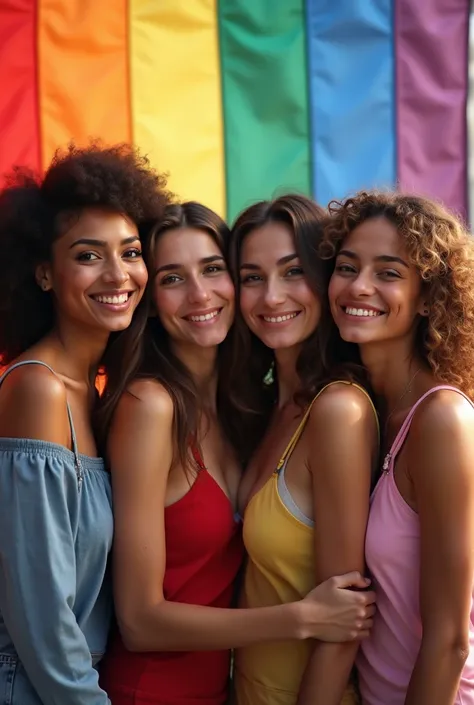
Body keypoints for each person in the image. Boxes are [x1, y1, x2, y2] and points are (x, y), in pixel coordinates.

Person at [97, 202, 376, 705]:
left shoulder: (247, 411)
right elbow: (138, 621)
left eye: (212, 269)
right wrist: (301, 618)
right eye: (172, 278)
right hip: (149, 692)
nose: (200, 294)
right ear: (151, 300)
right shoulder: (150, 406)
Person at [0, 142, 170, 704]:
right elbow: (40, 613)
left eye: (130, 252)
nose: (118, 274)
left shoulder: (96, 391)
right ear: (45, 274)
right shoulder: (36, 389)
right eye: (89, 256)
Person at [226, 194, 379, 705]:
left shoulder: (338, 411)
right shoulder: (271, 405)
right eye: (251, 277)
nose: (271, 297)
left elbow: (344, 620)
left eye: (293, 272)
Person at [325, 190, 474, 705]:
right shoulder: (365, 409)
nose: (359, 286)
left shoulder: (442, 420)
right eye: (347, 267)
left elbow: (451, 640)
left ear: (430, 297)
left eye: (388, 273)